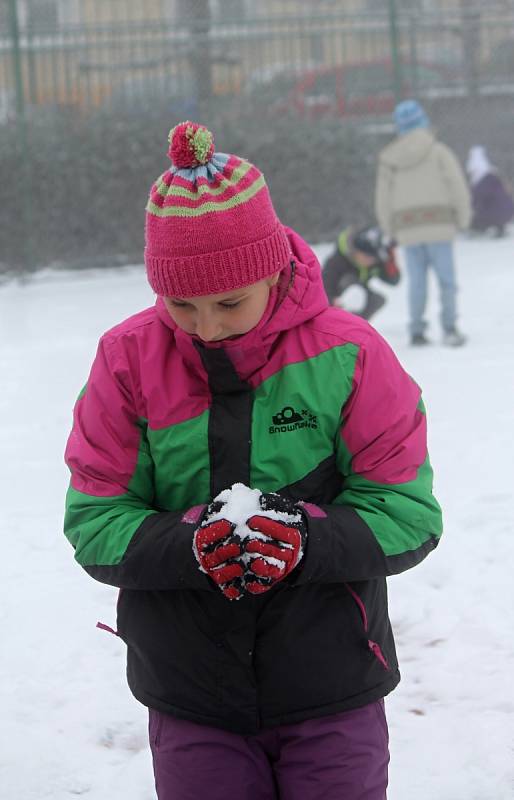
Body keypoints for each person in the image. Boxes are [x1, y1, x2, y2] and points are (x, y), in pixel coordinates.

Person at [64, 121, 443, 800]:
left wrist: (304, 539)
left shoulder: (350, 356)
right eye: (182, 304)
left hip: (334, 685)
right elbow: (96, 518)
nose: (206, 328)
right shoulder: (128, 360)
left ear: (273, 269)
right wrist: (188, 546)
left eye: (230, 303)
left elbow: (407, 510)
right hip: (190, 693)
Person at [375, 99, 471, 347]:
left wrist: (389, 228)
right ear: (422, 121)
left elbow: (382, 198)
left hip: (408, 230)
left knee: (417, 283)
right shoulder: (439, 151)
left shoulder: (389, 159)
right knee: (446, 280)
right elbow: (457, 185)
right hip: (440, 226)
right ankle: (450, 328)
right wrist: (463, 217)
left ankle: (417, 330)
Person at [322, 225, 400, 320]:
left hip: (357, 305)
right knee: (352, 285)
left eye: (373, 259)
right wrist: (333, 302)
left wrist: (390, 260)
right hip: (336, 304)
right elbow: (322, 290)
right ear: (357, 251)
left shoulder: (372, 261)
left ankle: (358, 326)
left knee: (377, 299)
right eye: (367, 257)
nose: (370, 261)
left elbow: (393, 280)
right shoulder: (336, 262)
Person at [466, 145, 514, 237]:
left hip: (496, 212)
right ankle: (499, 227)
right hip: (507, 210)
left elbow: (478, 199)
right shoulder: (493, 176)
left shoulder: (483, 180)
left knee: (478, 217)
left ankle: (480, 228)